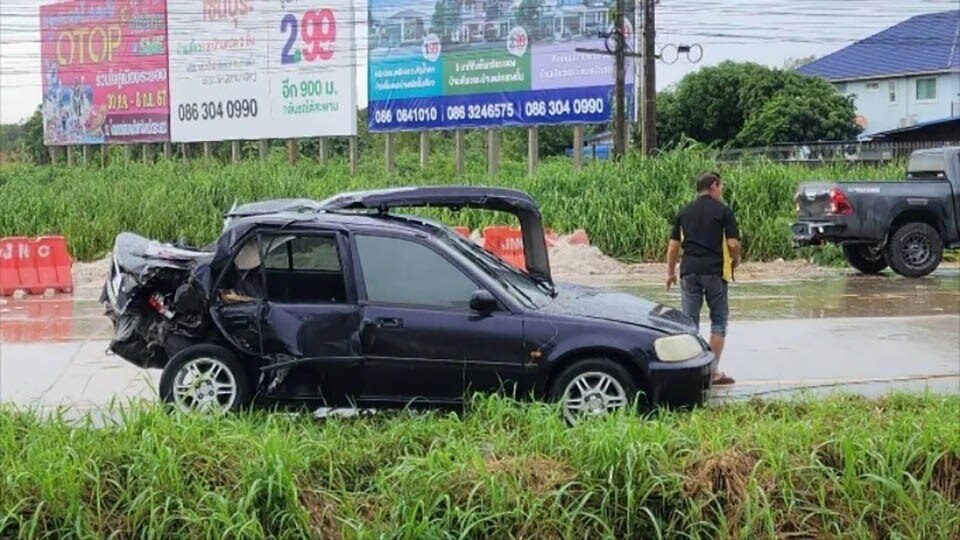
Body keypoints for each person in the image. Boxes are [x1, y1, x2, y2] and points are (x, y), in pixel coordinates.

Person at [665, 171, 740, 385]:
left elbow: (673, 248)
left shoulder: (684, 212)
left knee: (689, 323)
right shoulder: (724, 211)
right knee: (718, 321)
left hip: (688, 271)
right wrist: (737, 260)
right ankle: (712, 373)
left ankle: (690, 372)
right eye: (721, 186)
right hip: (715, 272)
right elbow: (733, 244)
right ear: (714, 186)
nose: (722, 190)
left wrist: (670, 273)